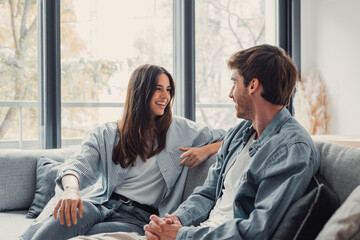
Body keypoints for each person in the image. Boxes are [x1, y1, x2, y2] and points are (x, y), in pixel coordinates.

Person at [21, 64, 225, 240]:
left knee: (90, 233)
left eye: (169, 90)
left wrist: (205, 150)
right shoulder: (108, 133)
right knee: (68, 216)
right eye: (158, 89)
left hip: (138, 217)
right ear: (140, 91)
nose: (166, 96)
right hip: (103, 204)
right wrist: (71, 191)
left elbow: (231, 136)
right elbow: (77, 166)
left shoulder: (180, 129)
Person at [144, 44, 321, 240]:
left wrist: (183, 235)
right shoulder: (238, 134)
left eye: (234, 83)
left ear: (253, 85)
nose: (230, 93)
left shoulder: (292, 147)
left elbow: (257, 230)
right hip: (200, 232)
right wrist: (174, 221)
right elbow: (208, 193)